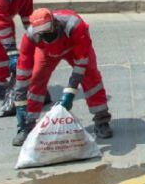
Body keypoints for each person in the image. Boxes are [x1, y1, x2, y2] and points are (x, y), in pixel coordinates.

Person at [12, 8, 112, 146]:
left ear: (55, 23)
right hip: (46, 53)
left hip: (74, 49)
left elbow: (82, 61)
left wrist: (70, 92)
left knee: (91, 77)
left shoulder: (74, 26)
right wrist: (20, 102)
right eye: (42, 33)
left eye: (48, 30)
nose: (46, 35)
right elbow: (23, 70)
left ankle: (102, 120)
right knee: (36, 80)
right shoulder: (30, 36)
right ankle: (26, 126)